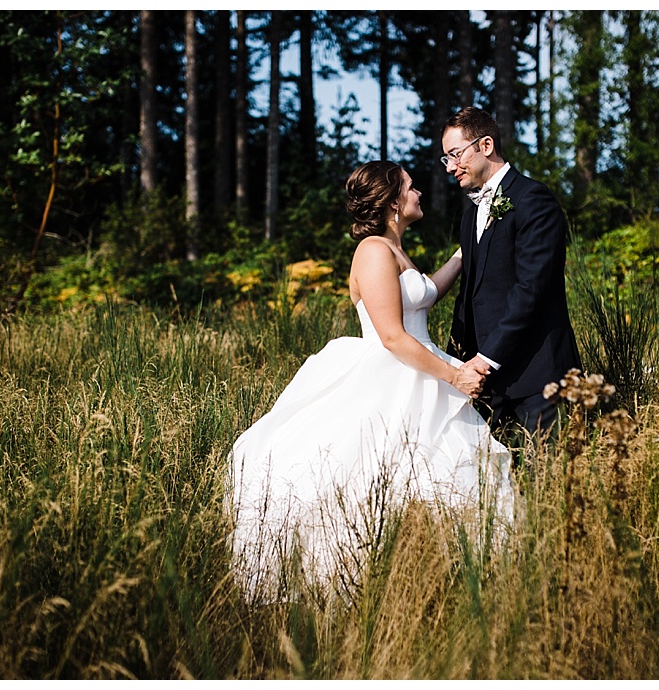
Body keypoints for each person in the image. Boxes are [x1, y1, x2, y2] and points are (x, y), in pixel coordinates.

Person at [230, 160, 513, 599]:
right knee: (375, 474)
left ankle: (445, 576)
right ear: (393, 201)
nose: (418, 191)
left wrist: (467, 247)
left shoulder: (395, 248)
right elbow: (393, 336)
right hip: (394, 373)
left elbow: (428, 293)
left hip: (420, 368)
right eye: (410, 186)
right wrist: (454, 376)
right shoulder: (373, 251)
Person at [441, 106, 582, 445]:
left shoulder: (534, 199)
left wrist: (484, 361)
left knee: (546, 488)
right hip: (487, 386)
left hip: (538, 380)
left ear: (485, 145)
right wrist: (457, 363)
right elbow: (470, 297)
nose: (450, 167)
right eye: (445, 159)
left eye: (455, 154)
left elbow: (531, 289)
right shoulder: (469, 216)